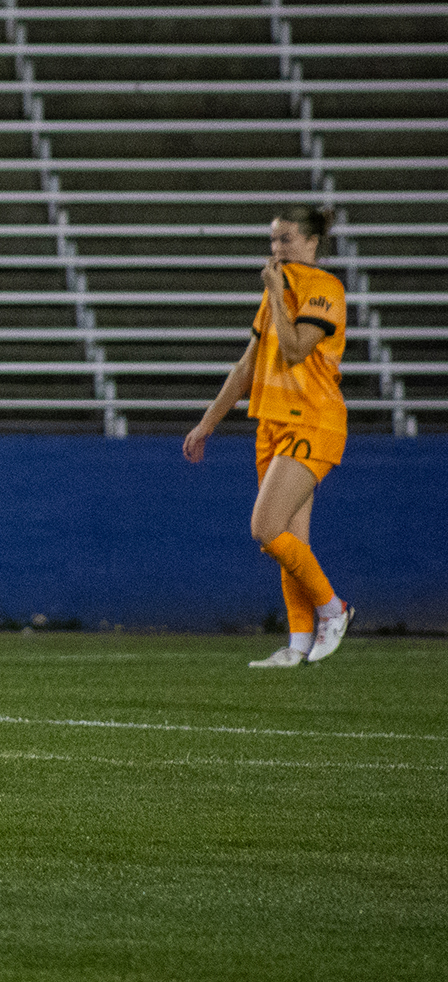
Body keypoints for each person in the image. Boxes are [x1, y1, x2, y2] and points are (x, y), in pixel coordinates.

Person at [184, 206, 355, 667]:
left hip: (312, 420)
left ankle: (332, 609)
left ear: (312, 243)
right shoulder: (276, 292)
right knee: (288, 540)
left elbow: (298, 350)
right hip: (274, 423)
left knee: (265, 527)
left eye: (286, 240)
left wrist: (278, 295)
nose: (277, 249)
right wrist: (208, 422)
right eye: (273, 240)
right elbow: (246, 366)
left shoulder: (323, 288)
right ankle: (299, 644)